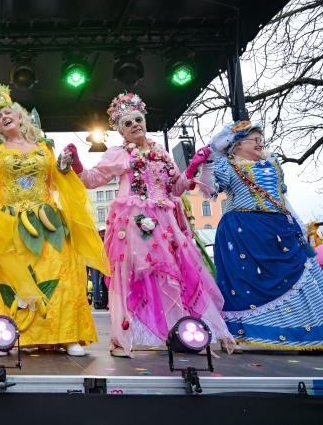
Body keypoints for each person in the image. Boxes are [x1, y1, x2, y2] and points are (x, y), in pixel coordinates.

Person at [62, 92, 234, 357]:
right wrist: (77, 165)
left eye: (138, 120)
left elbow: (175, 189)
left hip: (164, 221)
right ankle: (122, 338)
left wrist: (192, 170)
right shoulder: (118, 154)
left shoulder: (161, 154)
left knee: (173, 274)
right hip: (132, 222)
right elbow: (93, 179)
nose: (135, 125)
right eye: (127, 123)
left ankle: (177, 332)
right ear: (120, 131)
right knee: (128, 276)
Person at [0, 85, 109, 356]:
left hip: (46, 222)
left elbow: (59, 180)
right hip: (6, 224)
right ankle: (0, 335)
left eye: (8, 112)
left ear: (21, 117)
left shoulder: (45, 148)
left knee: (59, 271)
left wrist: (63, 166)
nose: (4, 118)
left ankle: (66, 335)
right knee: (3, 276)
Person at [200, 120, 323, 350]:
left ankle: (308, 332)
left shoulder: (273, 163)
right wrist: (209, 158)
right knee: (246, 282)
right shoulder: (227, 165)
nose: (260, 143)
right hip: (244, 230)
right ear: (237, 145)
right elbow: (208, 191)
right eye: (254, 139)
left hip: (279, 227)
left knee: (303, 270)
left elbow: (282, 197)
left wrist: (297, 222)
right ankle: (248, 332)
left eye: (261, 139)